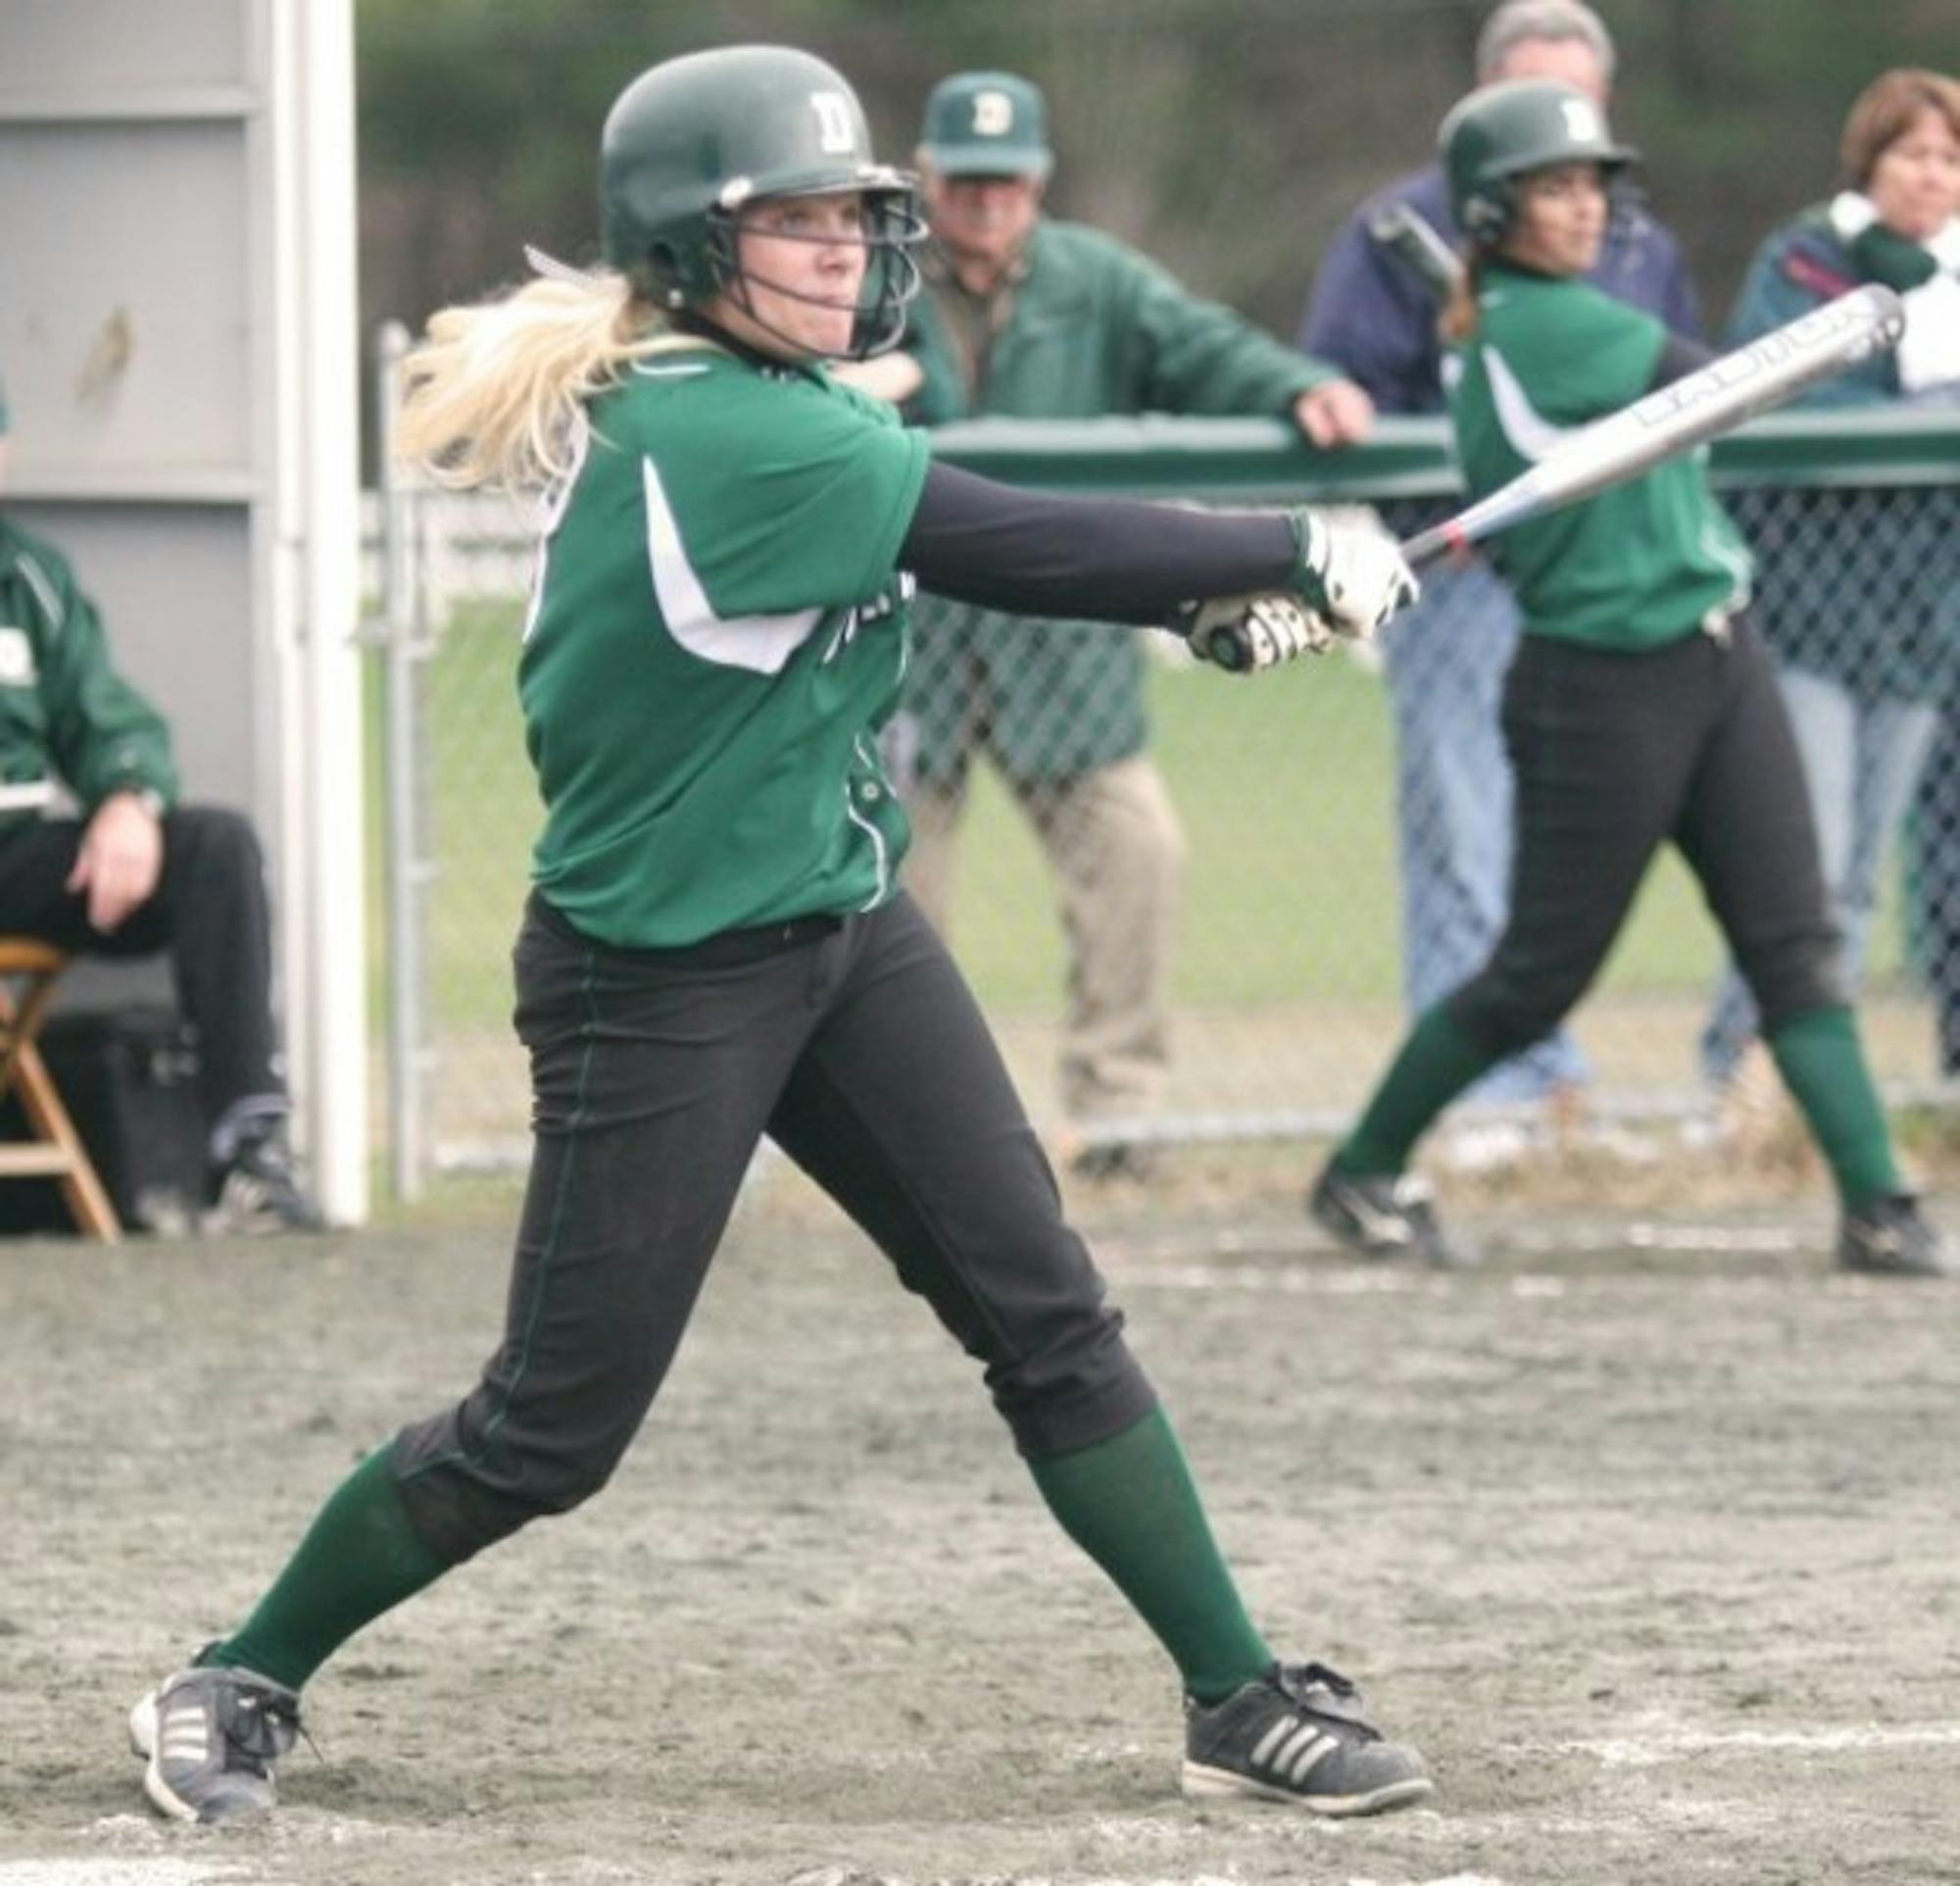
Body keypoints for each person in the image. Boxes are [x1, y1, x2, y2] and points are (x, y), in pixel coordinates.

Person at [125, 46, 1433, 1825]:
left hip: (840, 928)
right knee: (546, 1429)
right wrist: (1292, 543)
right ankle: (238, 1667)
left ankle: (1234, 1689)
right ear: (684, 246)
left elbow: (927, 569)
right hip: (659, 974)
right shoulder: (730, 425)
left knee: (1047, 1311)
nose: (843, 253)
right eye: (795, 224)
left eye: (853, 220)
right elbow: (1021, 541)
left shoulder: (761, 411)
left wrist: (1214, 609)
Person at [1306, 76, 1953, 1281]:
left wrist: (1885, 267)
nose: (1585, 210)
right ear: (1490, 214)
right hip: (1600, 686)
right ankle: (1361, 1165)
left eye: (1593, 186)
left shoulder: (1542, 314)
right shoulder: (1539, 327)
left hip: (1715, 650)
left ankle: (1876, 1200)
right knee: (1538, 975)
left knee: (1792, 938)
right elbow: (1741, 380)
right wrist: (1864, 277)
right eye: (1554, 189)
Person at [854, 70, 1375, 1179]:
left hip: (1064, 637)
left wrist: (1297, 386)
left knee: (1137, 851)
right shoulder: (876, 277)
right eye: (966, 180)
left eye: (1008, 180)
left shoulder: (1094, 280)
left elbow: (1202, 344)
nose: (987, 201)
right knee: (887, 894)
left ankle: (1119, 1113)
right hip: (912, 638)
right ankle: (905, 1129)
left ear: (1037, 183)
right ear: (928, 178)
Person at [1298, 0, 1700, 1150]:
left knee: (1566, 840)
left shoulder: (1635, 241)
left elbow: (1675, 395)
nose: (1556, 153)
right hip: (1467, 571)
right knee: (1460, 822)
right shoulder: (1394, 232)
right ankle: (1483, 1097)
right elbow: (1344, 378)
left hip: (1601, 584)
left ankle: (1554, 1081)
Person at [0, 386, 322, 1235]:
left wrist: (127, 800)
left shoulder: (29, 577)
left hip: (14, 858)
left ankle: (245, 1155)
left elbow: (107, 718)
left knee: (213, 846)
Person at [1699, 69, 1960, 1096]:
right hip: (1804, 617)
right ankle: (1736, 1076)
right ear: (1869, 162)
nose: (1930, 176)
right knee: (1798, 865)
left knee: (1852, 882)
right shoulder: (1807, 258)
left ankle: (1814, 1088)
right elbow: (1783, 395)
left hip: (1919, 625)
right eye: (1911, 155)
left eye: (1947, 159)